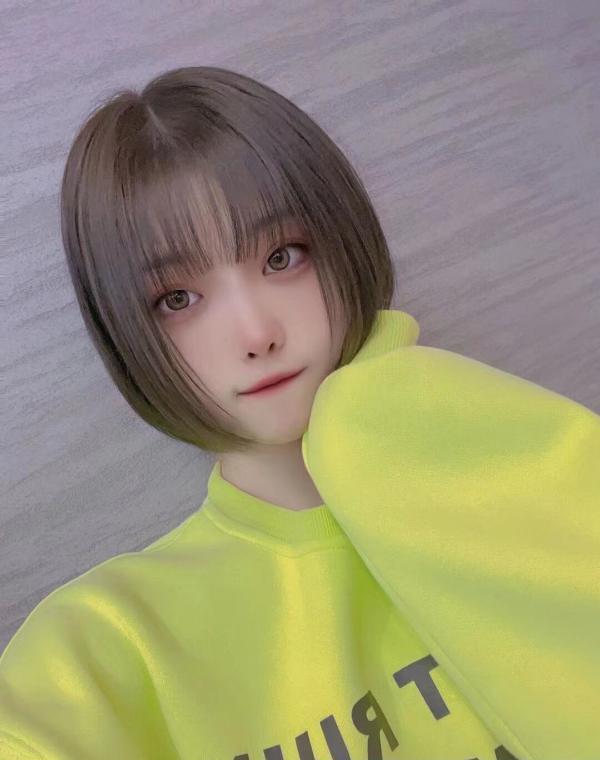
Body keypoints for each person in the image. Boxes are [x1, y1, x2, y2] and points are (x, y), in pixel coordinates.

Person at [0, 66, 598, 760]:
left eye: (282, 258)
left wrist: (387, 399)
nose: (257, 334)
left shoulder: (514, 468)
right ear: (125, 333)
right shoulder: (105, 647)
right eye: (177, 299)